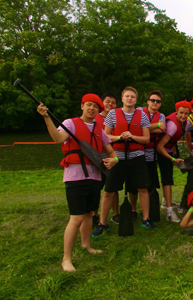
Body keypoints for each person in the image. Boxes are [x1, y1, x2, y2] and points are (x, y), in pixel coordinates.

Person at [37, 94, 118, 272]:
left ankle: (86, 245)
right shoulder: (70, 124)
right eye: (88, 105)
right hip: (75, 177)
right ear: (82, 106)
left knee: (89, 214)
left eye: (95, 107)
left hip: (95, 177)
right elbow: (58, 139)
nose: (92, 109)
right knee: (76, 217)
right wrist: (46, 117)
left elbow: (112, 153)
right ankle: (66, 259)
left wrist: (114, 161)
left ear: (99, 110)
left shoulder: (99, 129)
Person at [93, 86, 153, 237]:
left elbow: (146, 139)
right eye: (127, 96)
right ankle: (102, 223)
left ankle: (146, 219)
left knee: (143, 189)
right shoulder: (112, 114)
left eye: (132, 97)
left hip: (136, 157)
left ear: (136, 99)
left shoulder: (142, 116)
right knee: (109, 191)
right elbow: (105, 137)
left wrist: (131, 136)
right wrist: (120, 137)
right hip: (117, 157)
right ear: (122, 98)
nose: (130, 99)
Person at [156, 100, 192, 222]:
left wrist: (174, 149)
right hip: (162, 151)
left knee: (168, 177)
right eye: (181, 113)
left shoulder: (185, 122)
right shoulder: (172, 126)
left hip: (170, 149)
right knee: (167, 180)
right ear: (176, 111)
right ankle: (169, 212)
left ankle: (166, 201)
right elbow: (160, 146)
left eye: (186, 114)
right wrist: (172, 158)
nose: (183, 116)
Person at [133, 90, 166, 217]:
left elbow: (162, 128)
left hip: (152, 154)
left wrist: (145, 128)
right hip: (137, 152)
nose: (155, 103)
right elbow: (136, 127)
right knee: (134, 184)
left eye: (158, 101)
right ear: (148, 101)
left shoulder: (161, 116)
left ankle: (151, 209)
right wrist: (155, 126)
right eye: (153, 100)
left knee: (151, 183)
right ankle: (133, 209)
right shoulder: (139, 111)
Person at [92, 94, 120, 226]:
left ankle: (115, 214)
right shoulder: (94, 118)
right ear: (102, 104)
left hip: (112, 155)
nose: (110, 105)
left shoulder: (117, 117)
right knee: (96, 187)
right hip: (97, 156)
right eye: (107, 102)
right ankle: (94, 214)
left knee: (112, 187)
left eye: (113, 103)